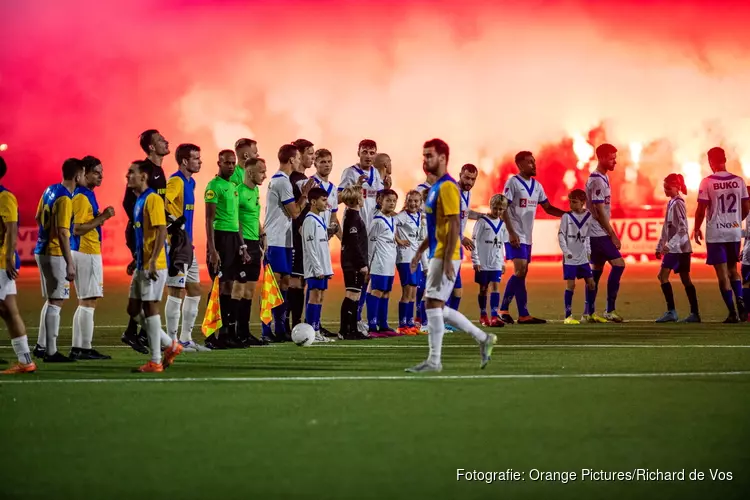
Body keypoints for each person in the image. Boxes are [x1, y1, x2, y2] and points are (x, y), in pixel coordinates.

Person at [406, 139, 496, 373]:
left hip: (446, 254)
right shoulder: (435, 188)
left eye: (430, 156)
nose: (425, 160)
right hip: (438, 252)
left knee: (433, 305)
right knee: (434, 305)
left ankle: (435, 361)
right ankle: (482, 338)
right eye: (424, 155)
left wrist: (447, 260)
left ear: (443, 158)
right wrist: (419, 252)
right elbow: (437, 227)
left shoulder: (447, 187)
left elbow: (455, 224)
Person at [126, 160, 183, 372]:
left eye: (132, 172)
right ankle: (171, 345)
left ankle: (156, 360)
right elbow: (145, 236)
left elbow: (160, 231)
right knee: (132, 309)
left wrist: (151, 260)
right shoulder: (139, 200)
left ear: (143, 176)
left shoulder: (152, 199)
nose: (128, 176)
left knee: (150, 308)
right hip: (143, 263)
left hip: (155, 264)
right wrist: (137, 260)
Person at [499, 151, 565, 325]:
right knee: (520, 271)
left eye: (534, 162)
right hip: (514, 234)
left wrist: (567, 215)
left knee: (522, 273)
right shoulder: (512, 183)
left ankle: (522, 314)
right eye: (530, 162)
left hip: (527, 236)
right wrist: (511, 232)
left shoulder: (537, 186)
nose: (534, 165)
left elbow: (548, 208)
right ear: (520, 165)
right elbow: (503, 208)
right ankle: (504, 310)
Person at [121, 129, 169, 353]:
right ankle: (156, 342)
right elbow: (128, 204)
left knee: (145, 303)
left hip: (153, 247)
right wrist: (141, 224)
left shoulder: (158, 172)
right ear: (151, 147)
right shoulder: (145, 172)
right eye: (160, 140)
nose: (165, 141)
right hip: (145, 243)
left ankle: (148, 339)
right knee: (146, 304)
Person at [33, 158, 83, 362]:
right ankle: (51, 352)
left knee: (52, 299)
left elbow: (38, 217)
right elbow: (63, 232)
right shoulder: (65, 199)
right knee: (57, 301)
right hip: (54, 253)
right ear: (77, 175)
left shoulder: (50, 190)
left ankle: (41, 345)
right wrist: (69, 262)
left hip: (41, 249)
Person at [262, 144, 312, 342]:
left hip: (284, 239)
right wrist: (305, 194)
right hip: (275, 240)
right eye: (298, 158)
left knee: (283, 283)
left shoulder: (282, 181)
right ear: (292, 160)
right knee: (272, 285)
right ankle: (266, 330)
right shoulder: (282, 182)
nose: (300, 161)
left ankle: (280, 328)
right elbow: (295, 212)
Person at [694, 147, 749, 323]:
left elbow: (701, 209)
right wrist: (735, 221)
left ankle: (732, 312)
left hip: (716, 232)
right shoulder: (739, 181)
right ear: (725, 160)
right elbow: (746, 207)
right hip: (733, 231)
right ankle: (741, 302)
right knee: (734, 270)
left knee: (722, 273)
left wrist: (696, 228)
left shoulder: (707, 182)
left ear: (710, 161)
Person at [164, 144, 209, 351]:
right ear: (184, 161)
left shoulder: (191, 183)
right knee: (176, 290)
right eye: (196, 158)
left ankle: (186, 339)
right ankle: (172, 342)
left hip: (187, 244)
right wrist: (175, 223)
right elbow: (162, 204)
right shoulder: (175, 181)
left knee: (194, 289)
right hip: (176, 244)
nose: (199, 162)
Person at [70, 156, 115, 360]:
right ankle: (84, 348)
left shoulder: (86, 194)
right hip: (86, 251)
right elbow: (77, 229)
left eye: (101, 172)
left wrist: (98, 218)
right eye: (96, 172)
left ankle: (78, 347)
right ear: (84, 173)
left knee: (84, 301)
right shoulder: (81, 196)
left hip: (85, 251)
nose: (101, 176)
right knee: (89, 301)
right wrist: (104, 217)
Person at [205, 150, 249, 348]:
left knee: (229, 286)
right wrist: (213, 250)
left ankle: (226, 333)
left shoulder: (233, 186)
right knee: (218, 285)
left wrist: (242, 246)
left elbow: (237, 220)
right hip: (220, 239)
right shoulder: (214, 187)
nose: (231, 166)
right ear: (219, 163)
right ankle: (210, 334)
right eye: (227, 163)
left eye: (233, 163)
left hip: (233, 239)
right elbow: (209, 219)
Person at [339, 140, 383, 329]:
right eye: (365, 151)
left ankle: (359, 317)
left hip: (373, 232)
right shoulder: (350, 172)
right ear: (358, 152)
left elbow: (379, 202)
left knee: (368, 274)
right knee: (360, 272)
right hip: (356, 230)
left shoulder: (377, 175)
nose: (368, 155)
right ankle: (353, 319)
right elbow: (338, 198)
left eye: (372, 152)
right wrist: (356, 186)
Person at [0, 156, 36, 374]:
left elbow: (11, 228)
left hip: (1, 262)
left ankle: (26, 361)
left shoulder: (5, 197)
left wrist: (8, 257)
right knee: (8, 310)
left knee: (8, 310)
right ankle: (25, 361)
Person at [585, 143, 626, 323]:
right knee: (619, 264)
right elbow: (599, 210)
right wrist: (612, 234)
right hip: (597, 232)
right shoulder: (597, 180)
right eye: (611, 158)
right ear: (601, 158)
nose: (614, 161)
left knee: (597, 271)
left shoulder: (602, 178)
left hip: (596, 232)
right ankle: (609, 309)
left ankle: (589, 312)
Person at [655, 174, 700, 323]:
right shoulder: (672, 202)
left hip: (679, 248)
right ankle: (693, 313)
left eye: (668, 188)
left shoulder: (678, 203)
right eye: (664, 188)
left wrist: (669, 245)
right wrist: (660, 245)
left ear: (677, 187)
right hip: (679, 247)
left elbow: (683, 228)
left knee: (664, 276)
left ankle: (673, 312)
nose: (665, 190)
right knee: (684, 279)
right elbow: (666, 228)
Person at [233, 157, 267, 345]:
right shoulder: (238, 192)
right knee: (239, 289)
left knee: (250, 291)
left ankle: (245, 333)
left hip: (255, 243)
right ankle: (235, 332)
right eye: (262, 171)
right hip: (243, 243)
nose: (265, 175)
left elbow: (254, 217)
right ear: (250, 172)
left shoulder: (255, 192)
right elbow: (235, 219)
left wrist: (262, 236)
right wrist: (241, 245)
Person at [366, 189, 407, 336]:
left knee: (386, 293)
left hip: (389, 262)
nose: (391, 203)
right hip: (379, 262)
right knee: (376, 291)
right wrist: (369, 265)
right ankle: (372, 326)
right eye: (388, 200)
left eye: (394, 201)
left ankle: (382, 325)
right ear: (380, 201)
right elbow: (370, 243)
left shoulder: (391, 219)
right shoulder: (377, 220)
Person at [557, 189, 597, 325]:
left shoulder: (588, 216)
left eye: (574, 202)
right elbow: (561, 234)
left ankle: (590, 314)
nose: (571, 204)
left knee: (591, 283)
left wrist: (588, 251)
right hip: (570, 257)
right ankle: (568, 316)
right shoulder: (566, 217)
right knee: (571, 285)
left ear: (582, 202)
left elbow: (587, 236)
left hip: (582, 257)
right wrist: (565, 251)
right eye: (570, 201)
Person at [288, 139, 316, 330]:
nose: (313, 157)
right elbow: (296, 211)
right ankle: (292, 325)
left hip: (303, 236)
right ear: (299, 155)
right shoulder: (296, 180)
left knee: (300, 281)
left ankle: (296, 324)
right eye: (310, 153)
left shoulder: (300, 179)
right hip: (295, 238)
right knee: (294, 282)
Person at [445, 163, 480, 317]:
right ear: (460, 175)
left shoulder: (467, 194)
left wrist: (483, 216)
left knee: (456, 287)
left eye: (473, 179)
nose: (469, 182)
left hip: (456, 245)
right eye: (466, 178)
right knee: (447, 285)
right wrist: (462, 237)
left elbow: (465, 213)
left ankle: (449, 320)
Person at [302, 187, 335, 342]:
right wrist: (317, 267)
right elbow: (310, 247)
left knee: (320, 297)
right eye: (323, 200)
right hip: (315, 268)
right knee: (314, 297)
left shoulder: (320, 219)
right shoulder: (309, 220)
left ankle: (316, 330)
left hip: (323, 266)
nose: (326, 203)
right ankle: (311, 331)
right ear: (313, 202)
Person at [338, 186, 369, 340]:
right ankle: (345, 330)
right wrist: (361, 263)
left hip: (353, 262)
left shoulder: (352, 215)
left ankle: (352, 329)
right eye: (362, 197)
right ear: (357, 200)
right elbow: (353, 243)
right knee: (351, 294)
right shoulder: (352, 217)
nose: (363, 199)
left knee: (355, 295)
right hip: (352, 263)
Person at [472, 194, 508, 328]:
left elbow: (502, 244)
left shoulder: (502, 224)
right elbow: (474, 240)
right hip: (483, 261)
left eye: (501, 209)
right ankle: (483, 315)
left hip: (496, 262)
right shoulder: (482, 221)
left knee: (495, 287)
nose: (497, 211)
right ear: (491, 206)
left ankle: (494, 316)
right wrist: (475, 260)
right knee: (483, 288)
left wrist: (503, 262)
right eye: (495, 208)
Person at [395, 190, 423, 335]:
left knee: (413, 292)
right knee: (407, 292)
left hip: (415, 259)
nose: (413, 203)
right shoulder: (402, 216)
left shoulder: (419, 216)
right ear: (406, 202)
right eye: (410, 200)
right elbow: (390, 224)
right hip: (405, 258)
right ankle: (402, 325)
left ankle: (410, 323)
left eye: (416, 201)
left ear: (420, 203)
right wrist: (398, 240)